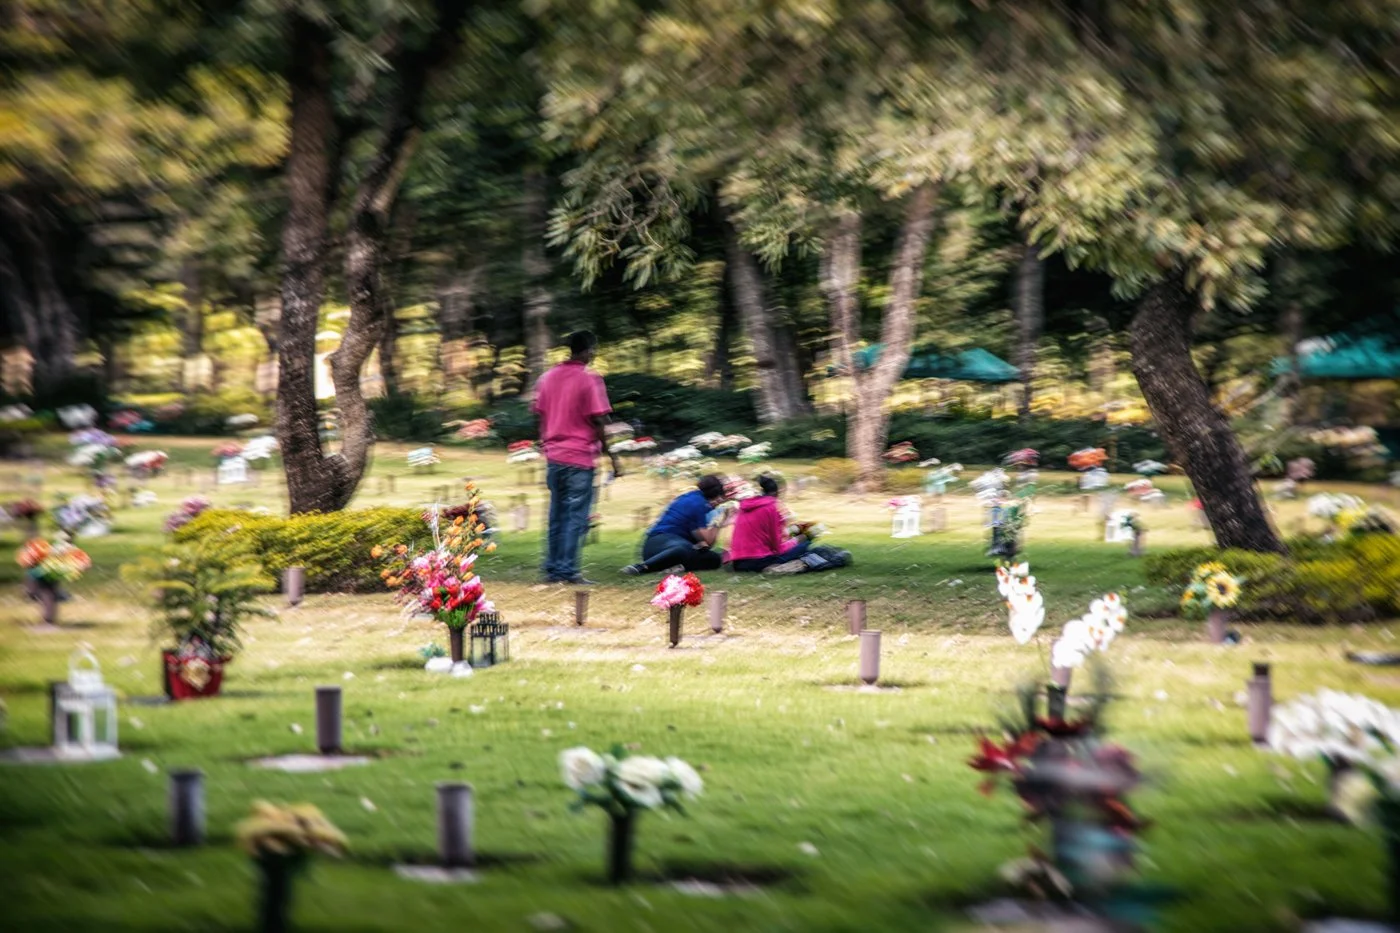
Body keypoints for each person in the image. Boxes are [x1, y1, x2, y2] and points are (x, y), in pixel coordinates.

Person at [532, 331, 622, 584]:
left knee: (556, 514)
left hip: (554, 457)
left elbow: (539, 414)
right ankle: (567, 570)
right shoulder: (589, 379)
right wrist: (613, 458)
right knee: (575, 516)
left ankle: (552, 568)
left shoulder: (547, 378)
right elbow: (599, 420)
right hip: (579, 458)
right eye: (593, 349)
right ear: (588, 350)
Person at [621, 474, 729, 575]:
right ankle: (642, 567)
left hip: (657, 546)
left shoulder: (689, 496)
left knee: (714, 558)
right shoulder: (699, 505)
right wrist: (719, 521)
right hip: (663, 544)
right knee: (685, 549)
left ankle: (673, 567)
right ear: (717, 495)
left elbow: (703, 543)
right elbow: (708, 541)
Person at [728, 474, 811, 573]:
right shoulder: (772, 507)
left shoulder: (745, 505)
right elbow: (778, 548)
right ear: (778, 492)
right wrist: (797, 540)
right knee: (806, 543)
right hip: (758, 561)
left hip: (737, 563)